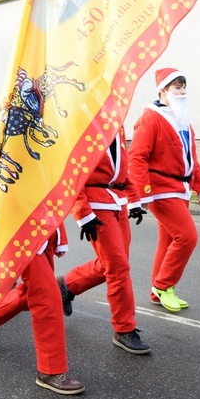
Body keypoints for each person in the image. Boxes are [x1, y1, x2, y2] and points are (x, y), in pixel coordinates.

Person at [57, 126, 150, 354]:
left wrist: (134, 199)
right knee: (118, 267)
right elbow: (71, 171)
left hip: (118, 201)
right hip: (96, 204)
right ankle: (123, 328)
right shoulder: (84, 122)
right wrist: (82, 212)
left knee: (113, 264)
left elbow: (121, 167)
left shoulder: (115, 121)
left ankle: (65, 286)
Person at [128, 67, 200, 312]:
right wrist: (142, 193)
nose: (182, 91)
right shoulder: (150, 118)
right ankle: (164, 285)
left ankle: (157, 291)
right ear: (162, 91)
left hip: (180, 188)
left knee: (169, 240)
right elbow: (137, 157)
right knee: (187, 237)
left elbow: (191, 157)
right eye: (177, 86)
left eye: (184, 86)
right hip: (162, 190)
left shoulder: (183, 119)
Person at [0, 225, 86, 395]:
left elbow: (52, 197)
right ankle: (49, 370)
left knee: (33, 291)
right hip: (21, 229)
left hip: (42, 229)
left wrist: (58, 235)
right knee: (47, 297)